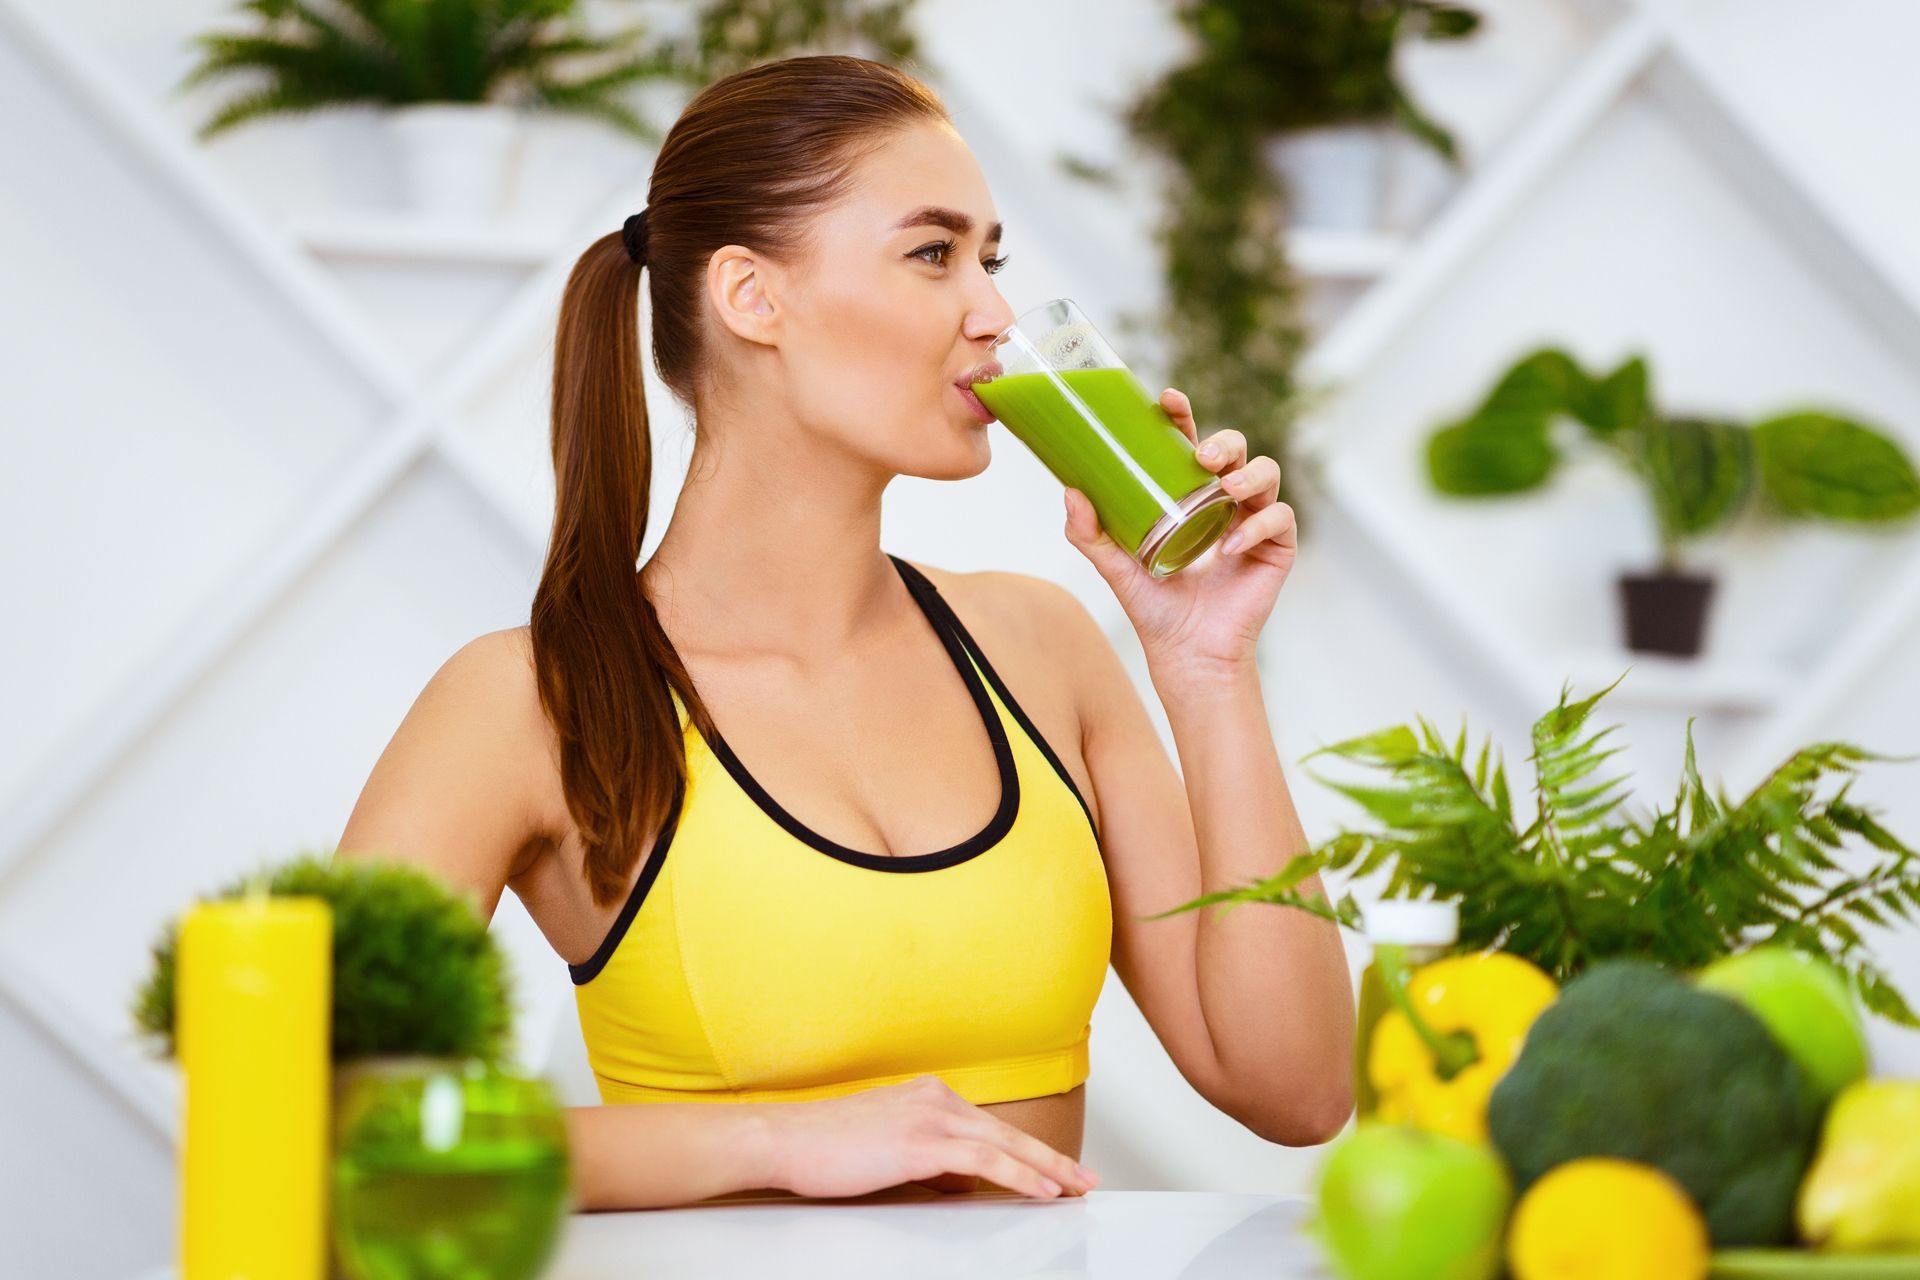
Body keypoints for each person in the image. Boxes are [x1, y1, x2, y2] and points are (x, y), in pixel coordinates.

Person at [336, 54, 1353, 1212]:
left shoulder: (1042, 646)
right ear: (751, 297)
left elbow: (1298, 1088)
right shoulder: (527, 700)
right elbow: (329, 1117)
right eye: (933, 254)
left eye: (991, 257)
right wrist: (772, 1141)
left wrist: (1206, 662)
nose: (993, 312)